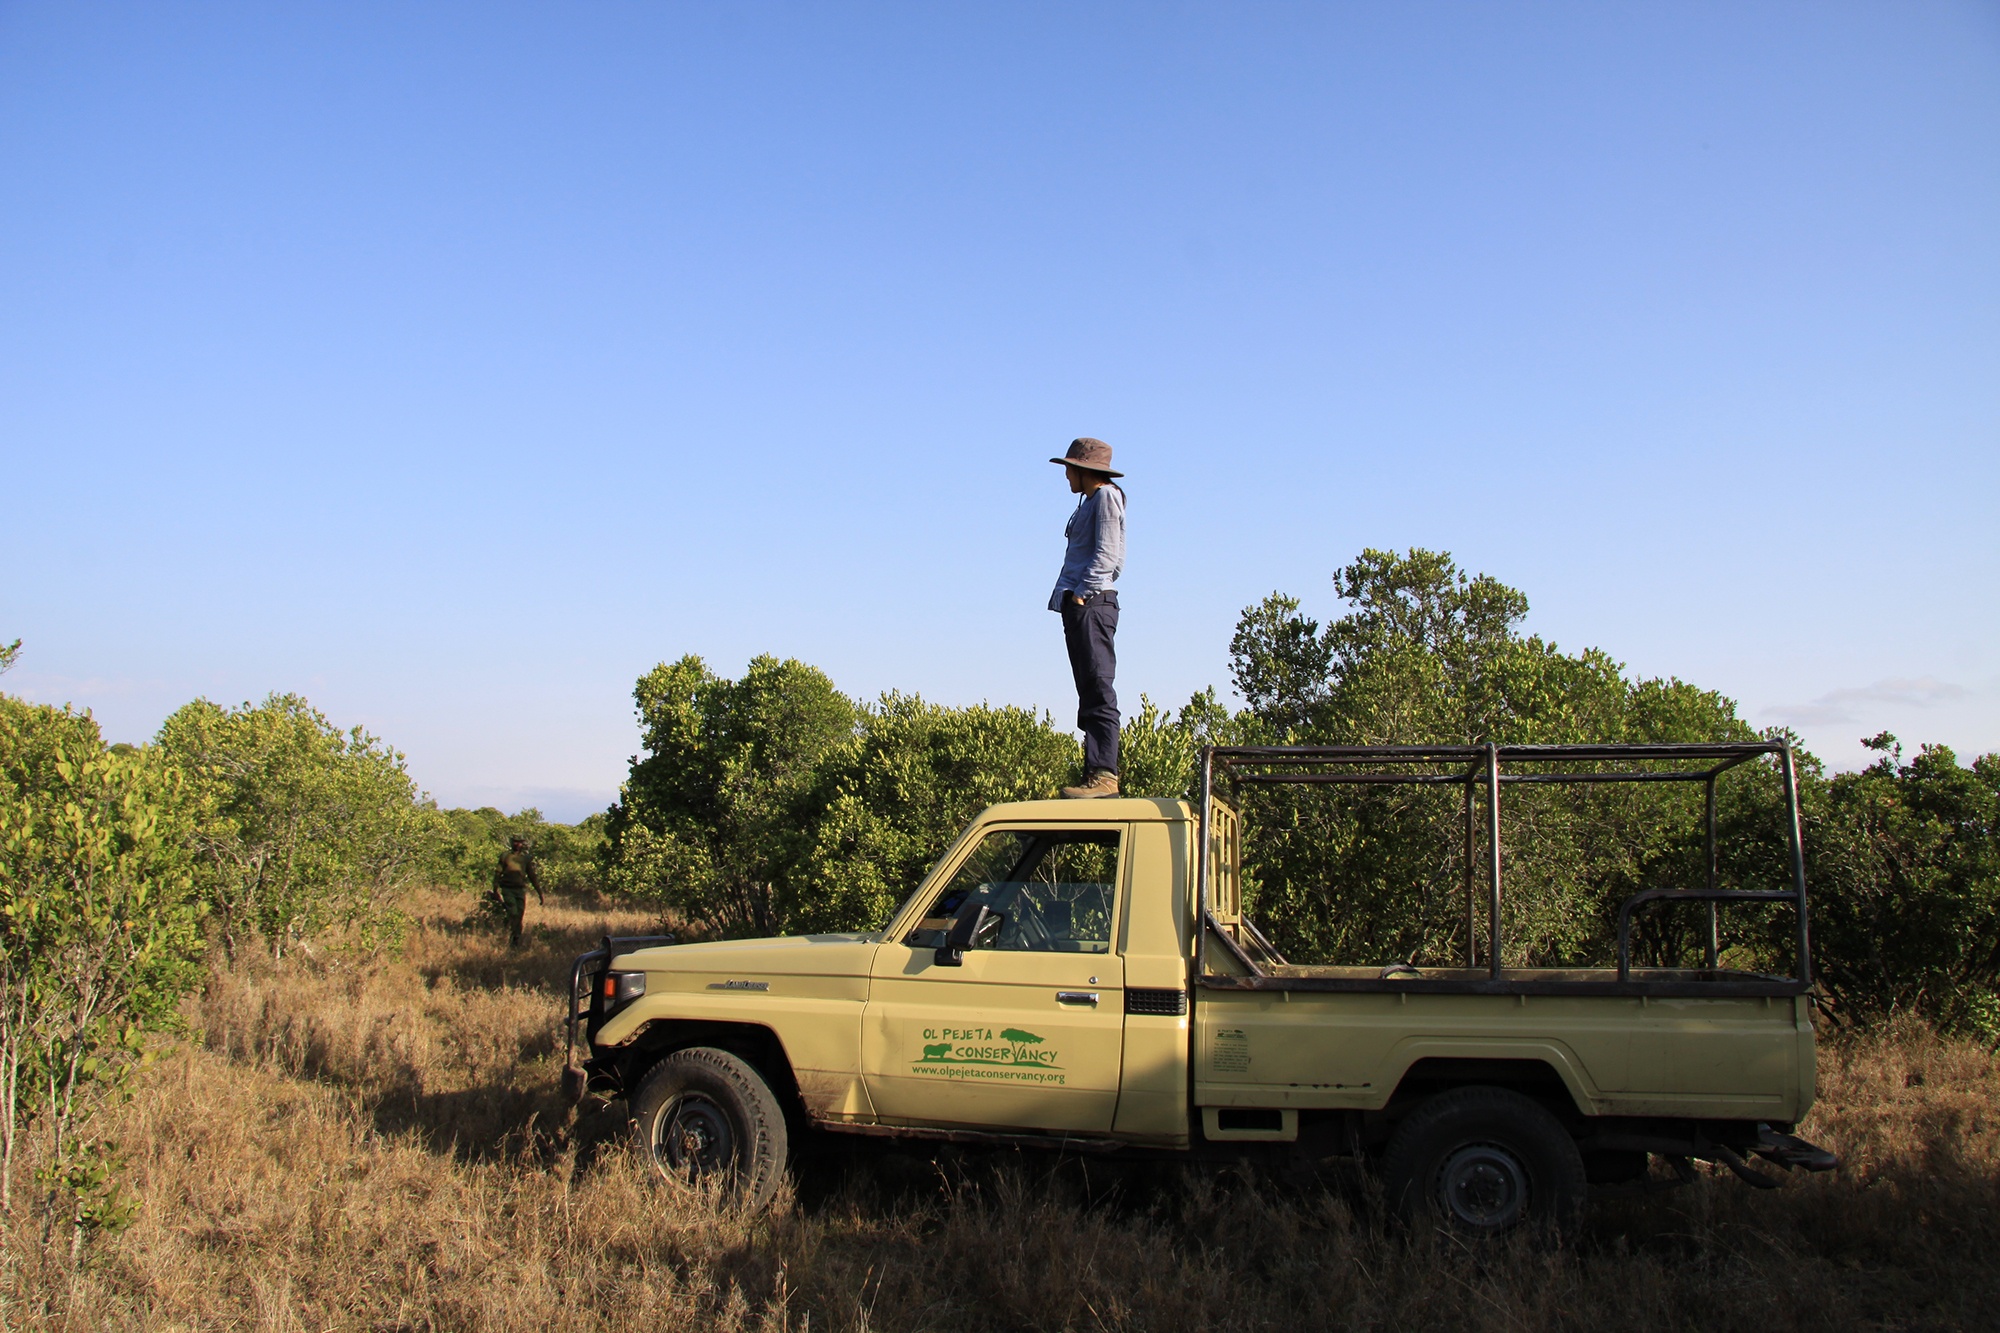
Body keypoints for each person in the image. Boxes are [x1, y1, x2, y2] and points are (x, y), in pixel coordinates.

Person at [1047, 437, 1125, 799]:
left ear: (1083, 469)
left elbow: (1110, 555)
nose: (1065, 476)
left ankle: (1105, 775)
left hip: (1091, 604)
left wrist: (1082, 593)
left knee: (1097, 687)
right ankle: (1095, 771)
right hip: (1081, 605)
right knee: (1088, 689)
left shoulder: (1107, 496)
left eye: (1068, 468)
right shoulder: (1089, 502)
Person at [493, 835, 545, 947]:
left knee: (519, 915)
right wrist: (495, 889)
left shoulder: (525, 858)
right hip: (507, 888)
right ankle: (513, 935)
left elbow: (532, 876)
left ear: (522, 844)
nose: (517, 844)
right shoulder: (505, 856)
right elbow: (498, 872)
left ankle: (515, 938)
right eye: (515, 842)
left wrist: (540, 893)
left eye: (519, 842)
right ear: (512, 843)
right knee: (513, 912)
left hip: (520, 890)